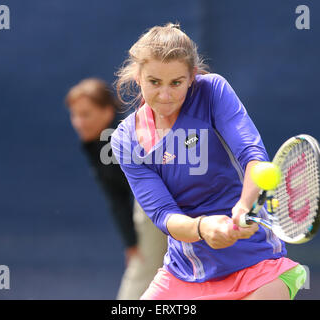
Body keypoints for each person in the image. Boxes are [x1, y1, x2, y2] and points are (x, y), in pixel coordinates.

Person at [110, 23, 307, 300]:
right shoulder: (125, 139)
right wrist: (203, 228)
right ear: (138, 77)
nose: (165, 96)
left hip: (257, 264)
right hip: (184, 272)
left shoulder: (212, 90)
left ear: (192, 77)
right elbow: (164, 215)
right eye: (154, 82)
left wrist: (243, 206)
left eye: (176, 82)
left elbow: (252, 155)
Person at [65, 78, 167, 300]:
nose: (79, 122)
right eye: (75, 115)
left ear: (107, 111)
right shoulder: (96, 145)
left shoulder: (124, 137)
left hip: (164, 203)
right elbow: (117, 198)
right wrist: (131, 243)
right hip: (156, 209)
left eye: (86, 114)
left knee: (143, 274)